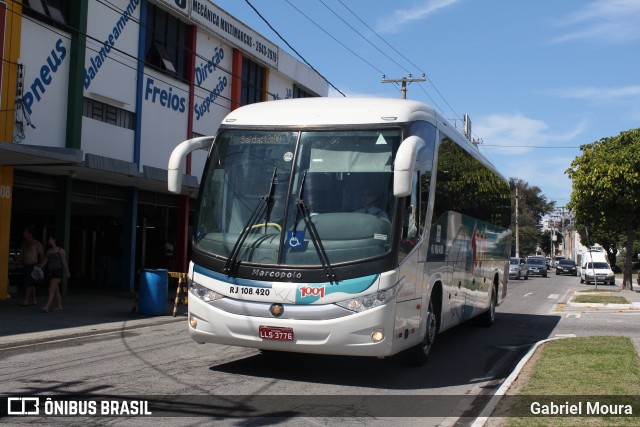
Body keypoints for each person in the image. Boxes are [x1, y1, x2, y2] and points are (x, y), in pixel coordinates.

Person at [40, 234, 70, 313]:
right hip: (50, 272)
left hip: (57, 272)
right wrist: (40, 267)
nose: (48, 240)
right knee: (56, 290)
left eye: (50, 238)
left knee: (51, 289)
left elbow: (64, 262)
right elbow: (45, 261)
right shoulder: (49, 251)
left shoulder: (61, 250)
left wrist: (67, 272)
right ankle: (59, 305)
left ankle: (47, 306)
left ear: (54, 240)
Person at [18, 226, 44, 306]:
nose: (23, 234)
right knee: (31, 283)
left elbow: (42, 255)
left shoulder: (37, 243)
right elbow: (22, 255)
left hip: (33, 265)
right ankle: (34, 300)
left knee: (29, 283)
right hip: (26, 265)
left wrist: (40, 265)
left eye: (25, 232)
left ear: (30, 234)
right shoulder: (24, 244)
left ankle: (26, 300)